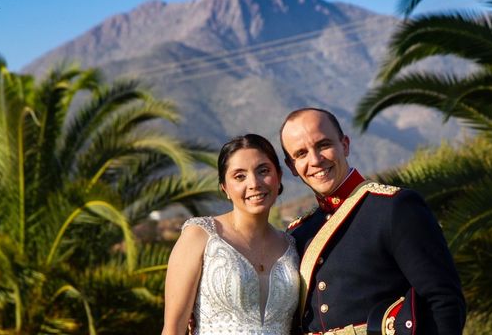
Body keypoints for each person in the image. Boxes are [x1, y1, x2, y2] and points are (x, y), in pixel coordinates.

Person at [280, 108, 466, 335]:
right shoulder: (299, 232)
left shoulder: (394, 207)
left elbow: (443, 300)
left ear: (345, 145)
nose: (315, 160)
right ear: (291, 167)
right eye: (301, 154)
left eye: (323, 145)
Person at [161, 134, 300, 335]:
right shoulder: (200, 236)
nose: (254, 183)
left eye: (263, 171)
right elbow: (173, 328)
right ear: (224, 187)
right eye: (239, 176)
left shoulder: (293, 246)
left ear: (278, 177)